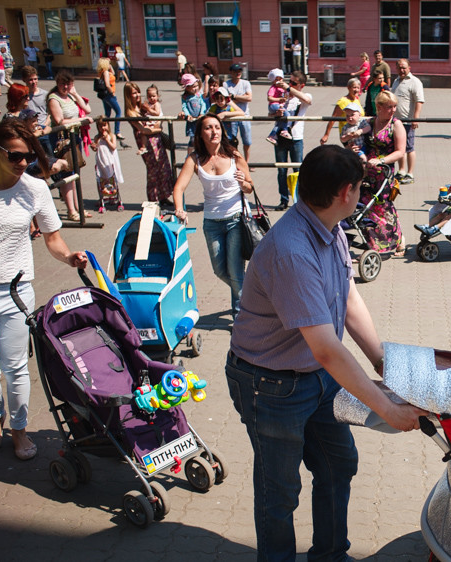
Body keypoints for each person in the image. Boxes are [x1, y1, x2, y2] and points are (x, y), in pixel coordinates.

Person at [225, 143, 426, 560]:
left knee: (338, 464)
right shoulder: (292, 251)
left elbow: (347, 296)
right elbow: (328, 351)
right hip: (270, 384)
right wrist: (387, 409)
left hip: (314, 379)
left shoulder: (330, 229)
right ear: (346, 192)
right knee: (279, 491)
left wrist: (383, 363)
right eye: (360, 189)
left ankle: (330, 554)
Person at [0, 119, 88, 460]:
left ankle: (19, 429)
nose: (22, 163)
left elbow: (53, 239)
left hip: (15, 291)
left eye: (28, 157)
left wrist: (70, 257)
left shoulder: (35, 189)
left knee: (15, 366)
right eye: (15, 156)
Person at [173, 114, 254, 317]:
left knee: (235, 272)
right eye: (208, 128)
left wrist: (243, 183)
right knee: (220, 271)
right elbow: (179, 188)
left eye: (217, 127)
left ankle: (241, 317)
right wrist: (179, 208)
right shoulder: (195, 159)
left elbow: (250, 187)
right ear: (201, 133)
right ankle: (251, 293)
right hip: (211, 222)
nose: (214, 132)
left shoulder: (234, 155)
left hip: (236, 218)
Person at [361, 90, 406, 255]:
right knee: (367, 207)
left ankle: (394, 242)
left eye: (395, 106)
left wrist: (381, 161)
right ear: (378, 107)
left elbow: (400, 152)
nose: (393, 110)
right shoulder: (370, 122)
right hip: (367, 173)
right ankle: (376, 243)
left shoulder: (396, 124)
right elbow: (359, 140)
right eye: (389, 107)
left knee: (384, 207)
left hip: (384, 173)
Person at [47, 71, 93, 220]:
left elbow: (88, 109)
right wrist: (81, 121)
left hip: (74, 137)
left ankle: (79, 207)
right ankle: (71, 210)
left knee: (75, 174)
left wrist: (76, 93)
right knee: (67, 174)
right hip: (62, 139)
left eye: (69, 84)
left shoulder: (70, 96)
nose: (66, 87)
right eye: (63, 84)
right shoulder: (54, 99)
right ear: (57, 84)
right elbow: (60, 120)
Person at [125, 82, 174, 206]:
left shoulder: (143, 106)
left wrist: (158, 126)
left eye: (138, 92)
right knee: (152, 170)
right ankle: (153, 199)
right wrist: (158, 129)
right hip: (145, 140)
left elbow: (157, 116)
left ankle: (163, 196)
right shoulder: (130, 112)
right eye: (134, 93)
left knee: (162, 167)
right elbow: (143, 130)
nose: (137, 95)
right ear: (128, 95)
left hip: (155, 139)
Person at [272, 71, 313, 211]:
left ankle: (300, 200)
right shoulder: (284, 97)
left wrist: (290, 89)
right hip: (281, 137)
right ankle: (284, 200)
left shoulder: (304, 96)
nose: (289, 85)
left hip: (296, 138)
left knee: (298, 169)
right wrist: (276, 113)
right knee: (281, 170)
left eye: (294, 83)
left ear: (302, 85)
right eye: (289, 82)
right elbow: (270, 114)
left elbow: (308, 101)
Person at [391, 59, 425, 183]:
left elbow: (419, 100)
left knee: (409, 147)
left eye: (404, 67)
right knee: (399, 147)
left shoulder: (415, 82)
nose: (402, 70)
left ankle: (410, 173)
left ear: (409, 68)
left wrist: (415, 118)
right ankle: (401, 170)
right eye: (399, 68)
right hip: (396, 121)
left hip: (408, 121)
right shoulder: (396, 81)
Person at [90, 119, 123, 213]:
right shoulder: (97, 137)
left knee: (112, 178)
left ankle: (115, 195)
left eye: (105, 125)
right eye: (100, 126)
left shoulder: (111, 136)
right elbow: (97, 148)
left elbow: (113, 147)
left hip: (110, 161)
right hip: (101, 161)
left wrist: (107, 140)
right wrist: (94, 147)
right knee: (101, 179)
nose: (103, 128)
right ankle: (102, 197)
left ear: (108, 125)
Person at [224, 63, 253, 162]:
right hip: (232, 116)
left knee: (247, 141)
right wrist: (242, 97)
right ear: (231, 72)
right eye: (235, 71)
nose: (238, 73)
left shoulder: (246, 83)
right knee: (232, 141)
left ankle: (247, 162)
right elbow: (226, 101)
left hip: (245, 116)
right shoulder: (226, 84)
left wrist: (234, 97)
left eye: (239, 71)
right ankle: (235, 162)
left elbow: (249, 98)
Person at [320, 78, 361, 145]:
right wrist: (326, 135)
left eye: (358, 88)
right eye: (354, 87)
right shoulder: (342, 101)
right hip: (347, 133)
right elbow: (333, 118)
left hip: (357, 132)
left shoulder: (357, 99)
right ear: (348, 88)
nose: (356, 90)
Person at [95, 57, 124, 141]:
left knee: (107, 114)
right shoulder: (106, 73)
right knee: (118, 112)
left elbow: (113, 73)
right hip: (109, 95)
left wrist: (110, 65)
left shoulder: (102, 72)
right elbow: (107, 85)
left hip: (104, 96)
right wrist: (112, 93)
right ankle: (117, 132)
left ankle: (104, 130)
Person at [264, 69, 292, 145]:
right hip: (273, 105)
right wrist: (279, 99)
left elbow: (286, 95)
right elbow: (269, 98)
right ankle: (285, 130)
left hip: (279, 105)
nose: (279, 81)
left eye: (280, 79)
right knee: (287, 114)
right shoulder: (273, 88)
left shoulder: (283, 88)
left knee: (279, 122)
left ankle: (272, 136)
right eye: (276, 79)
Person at [179, 73, 206, 150]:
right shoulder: (185, 97)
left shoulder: (198, 95)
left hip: (199, 119)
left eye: (197, 86)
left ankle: (201, 154)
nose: (196, 88)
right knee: (193, 139)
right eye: (193, 87)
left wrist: (202, 113)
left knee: (202, 137)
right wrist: (188, 115)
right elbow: (184, 107)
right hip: (191, 121)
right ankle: (190, 154)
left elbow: (203, 104)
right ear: (187, 88)